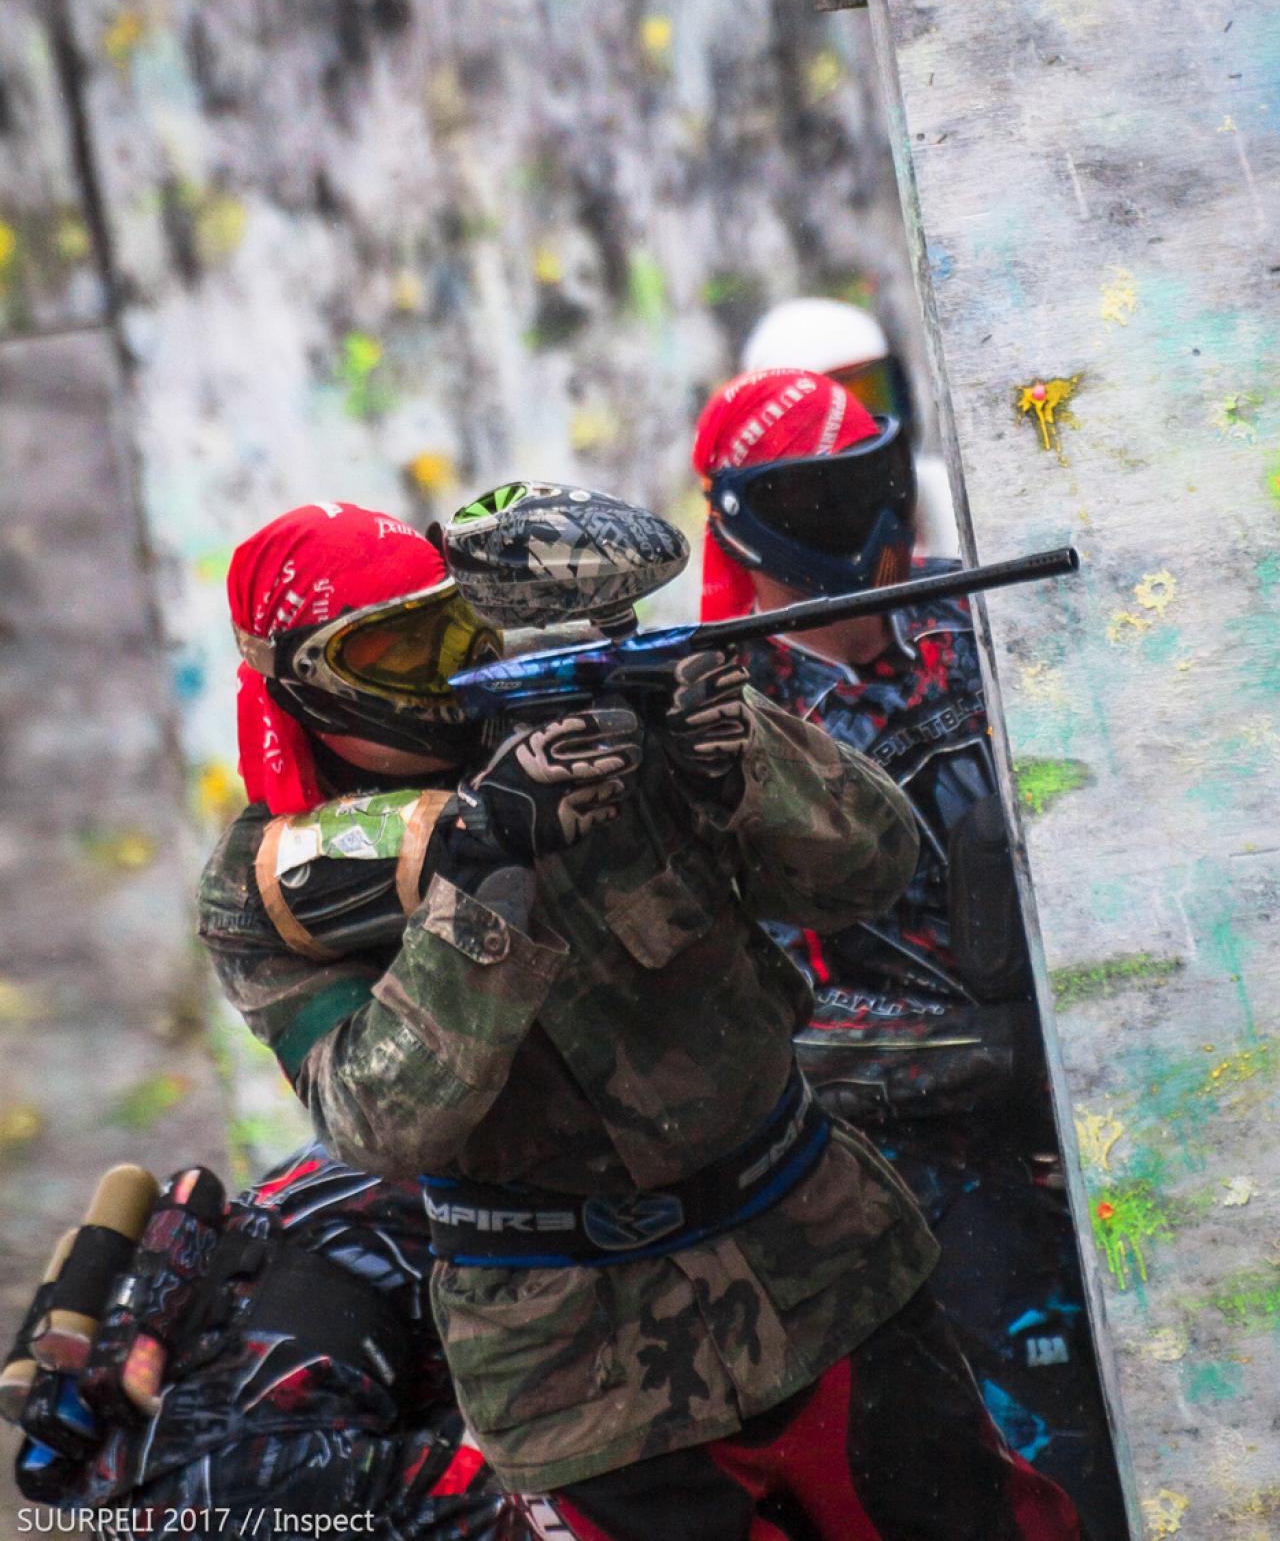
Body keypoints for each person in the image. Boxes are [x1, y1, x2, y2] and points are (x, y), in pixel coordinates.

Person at [197, 497, 1083, 1539]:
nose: (443, 672)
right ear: (308, 683)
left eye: (452, 626)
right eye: (396, 651)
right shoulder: (262, 887)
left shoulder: (587, 714)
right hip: (581, 1375)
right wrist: (485, 879)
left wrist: (742, 759)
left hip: (820, 1264)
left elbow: (870, 870)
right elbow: (381, 1124)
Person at [692, 368, 1126, 1538]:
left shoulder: (970, 614)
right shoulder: (723, 724)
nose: (877, 521)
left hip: (1099, 1088)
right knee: (1063, 1472)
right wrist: (1007, 1056)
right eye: (831, 497)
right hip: (926, 1180)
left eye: (878, 476)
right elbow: (773, 1019)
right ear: (752, 523)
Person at [5, 1143, 523, 1538]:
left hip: (464, 1223)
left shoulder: (253, 1505)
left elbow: (524, 1501)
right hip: (337, 1186)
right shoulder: (132, 1509)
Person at [741, 295, 959, 558]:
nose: (861, 432)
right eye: (827, 416)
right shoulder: (773, 551)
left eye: (873, 393)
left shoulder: (947, 495)